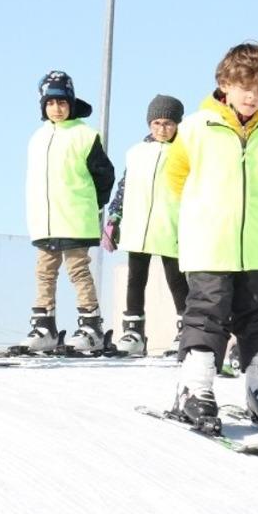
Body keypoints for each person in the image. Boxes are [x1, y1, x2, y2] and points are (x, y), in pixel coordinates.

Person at [167, 42, 258, 433]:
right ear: (225, 84)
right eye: (244, 88)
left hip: (254, 246)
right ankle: (195, 387)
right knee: (208, 314)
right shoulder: (197, 128)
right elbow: (175, 176)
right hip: (209, 245)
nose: (252, 96)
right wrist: (200, 215)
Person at [16, 71, 115, 354]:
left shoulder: (85, 135)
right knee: (44, 272)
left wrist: (93, 203)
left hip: (74, 218)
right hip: (44, 220)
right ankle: (44, 326)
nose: (56, 108)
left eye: (62, 102)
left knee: (77, 270)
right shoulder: (37, 137)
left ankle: (91, 325)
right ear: (43, 106)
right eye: (50, 103)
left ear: (71, 103)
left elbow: (104, 175)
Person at [102, 94, 190, 357]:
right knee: (135, 279)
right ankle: (133, 332)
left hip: (171, 225)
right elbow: (124, 186)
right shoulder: (136, 153)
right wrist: (114, 217)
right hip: (138, 226)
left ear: (178, 124)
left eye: (168, 123)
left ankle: (187, 329)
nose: (162, 129)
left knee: (177, 280)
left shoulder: (184, 152)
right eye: (157, 123)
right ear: (149, 123)